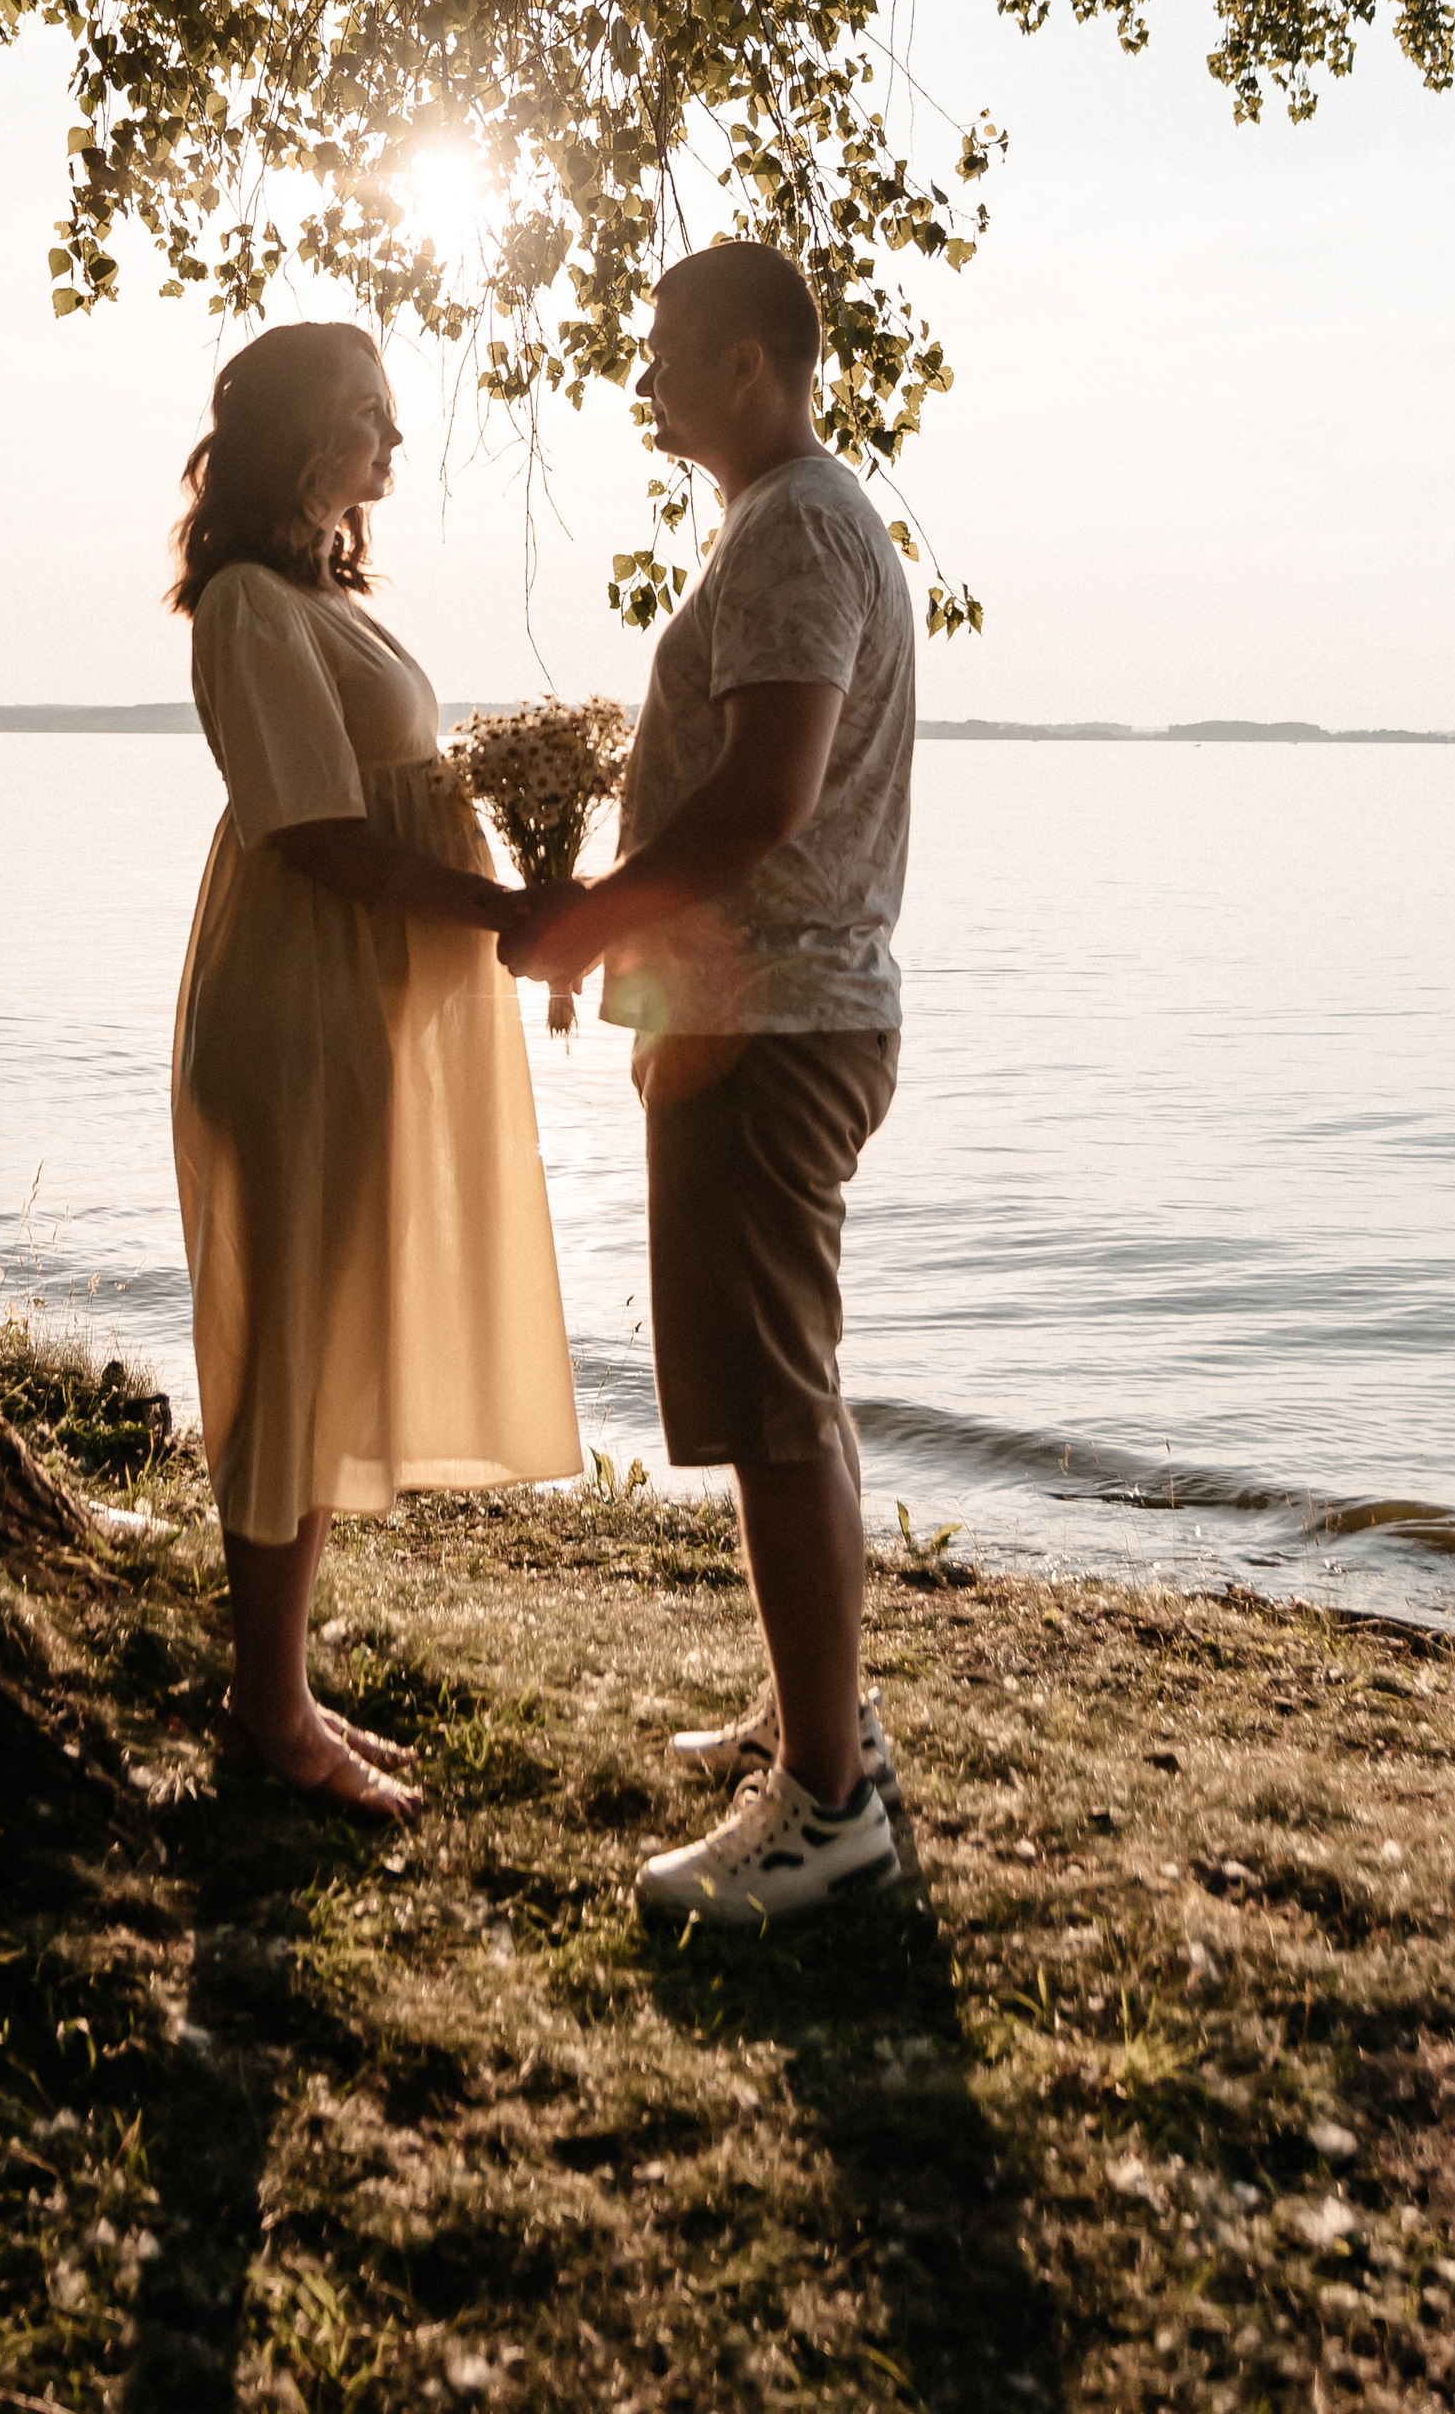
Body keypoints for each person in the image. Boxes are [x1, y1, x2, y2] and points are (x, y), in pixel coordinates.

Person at [501, 242, 914, 1922]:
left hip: (778, 1017)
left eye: (670, 350)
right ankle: (816, 1719)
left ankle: (827, 1810)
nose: (647, 376)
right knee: (780, 1388)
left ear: (752, 363)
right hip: (758, 1009)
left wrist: (589, 925)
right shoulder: (780, 522)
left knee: (773, 1401)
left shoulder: (801, 524)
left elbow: (765, 796)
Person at [170, 319, 582, 1821]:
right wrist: (502, 911)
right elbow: (321, 836)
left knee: (322, 1348)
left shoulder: (321, 594)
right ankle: (268, 1715)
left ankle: (279, 1689)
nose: (395, 451)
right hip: (298, 1014)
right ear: (298, 436)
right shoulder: (249, 606)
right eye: (370, 420)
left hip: (353, 1015)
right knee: (289, 1362)